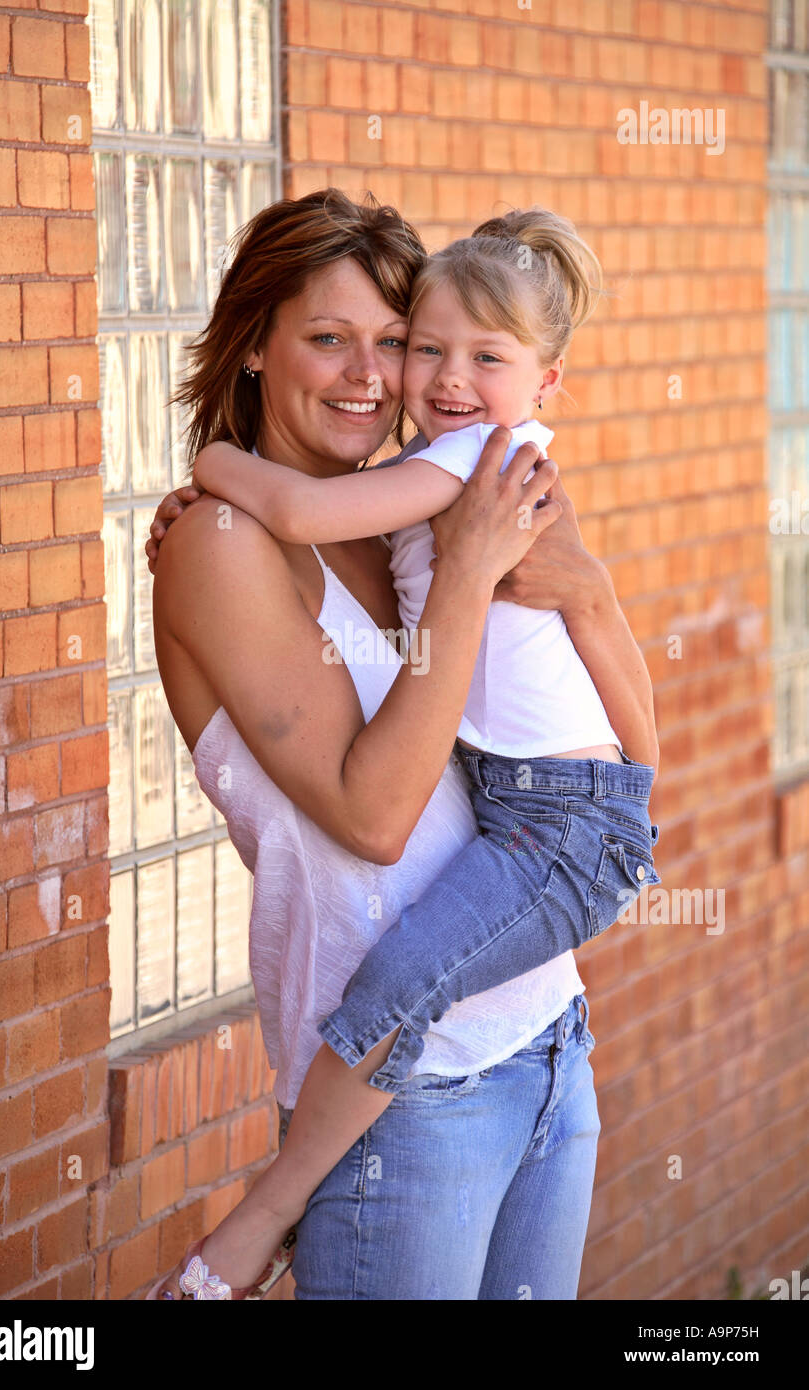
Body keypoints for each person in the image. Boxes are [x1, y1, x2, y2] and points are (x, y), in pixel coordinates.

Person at [145, 189, 658, 1299]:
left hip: (545, 1039)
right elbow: (374, 819)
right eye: (328, 339)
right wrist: (469, 575)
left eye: (392, 343)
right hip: (401, 1105)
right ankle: (268, 1212)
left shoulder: (410, 513)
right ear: (251, 349)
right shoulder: (219, 545)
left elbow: (606, 726)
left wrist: (585, 584)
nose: (372, 378)